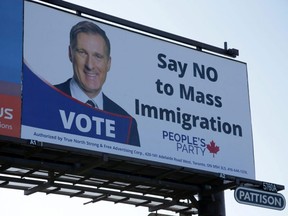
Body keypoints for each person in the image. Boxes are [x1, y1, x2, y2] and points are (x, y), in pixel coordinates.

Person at [55, 20, 140, 146]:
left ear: (109, 63)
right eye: (82, 53)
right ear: (70, 54)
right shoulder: (43, 100)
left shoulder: (126, 124)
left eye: (98, 56)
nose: (90, 65)